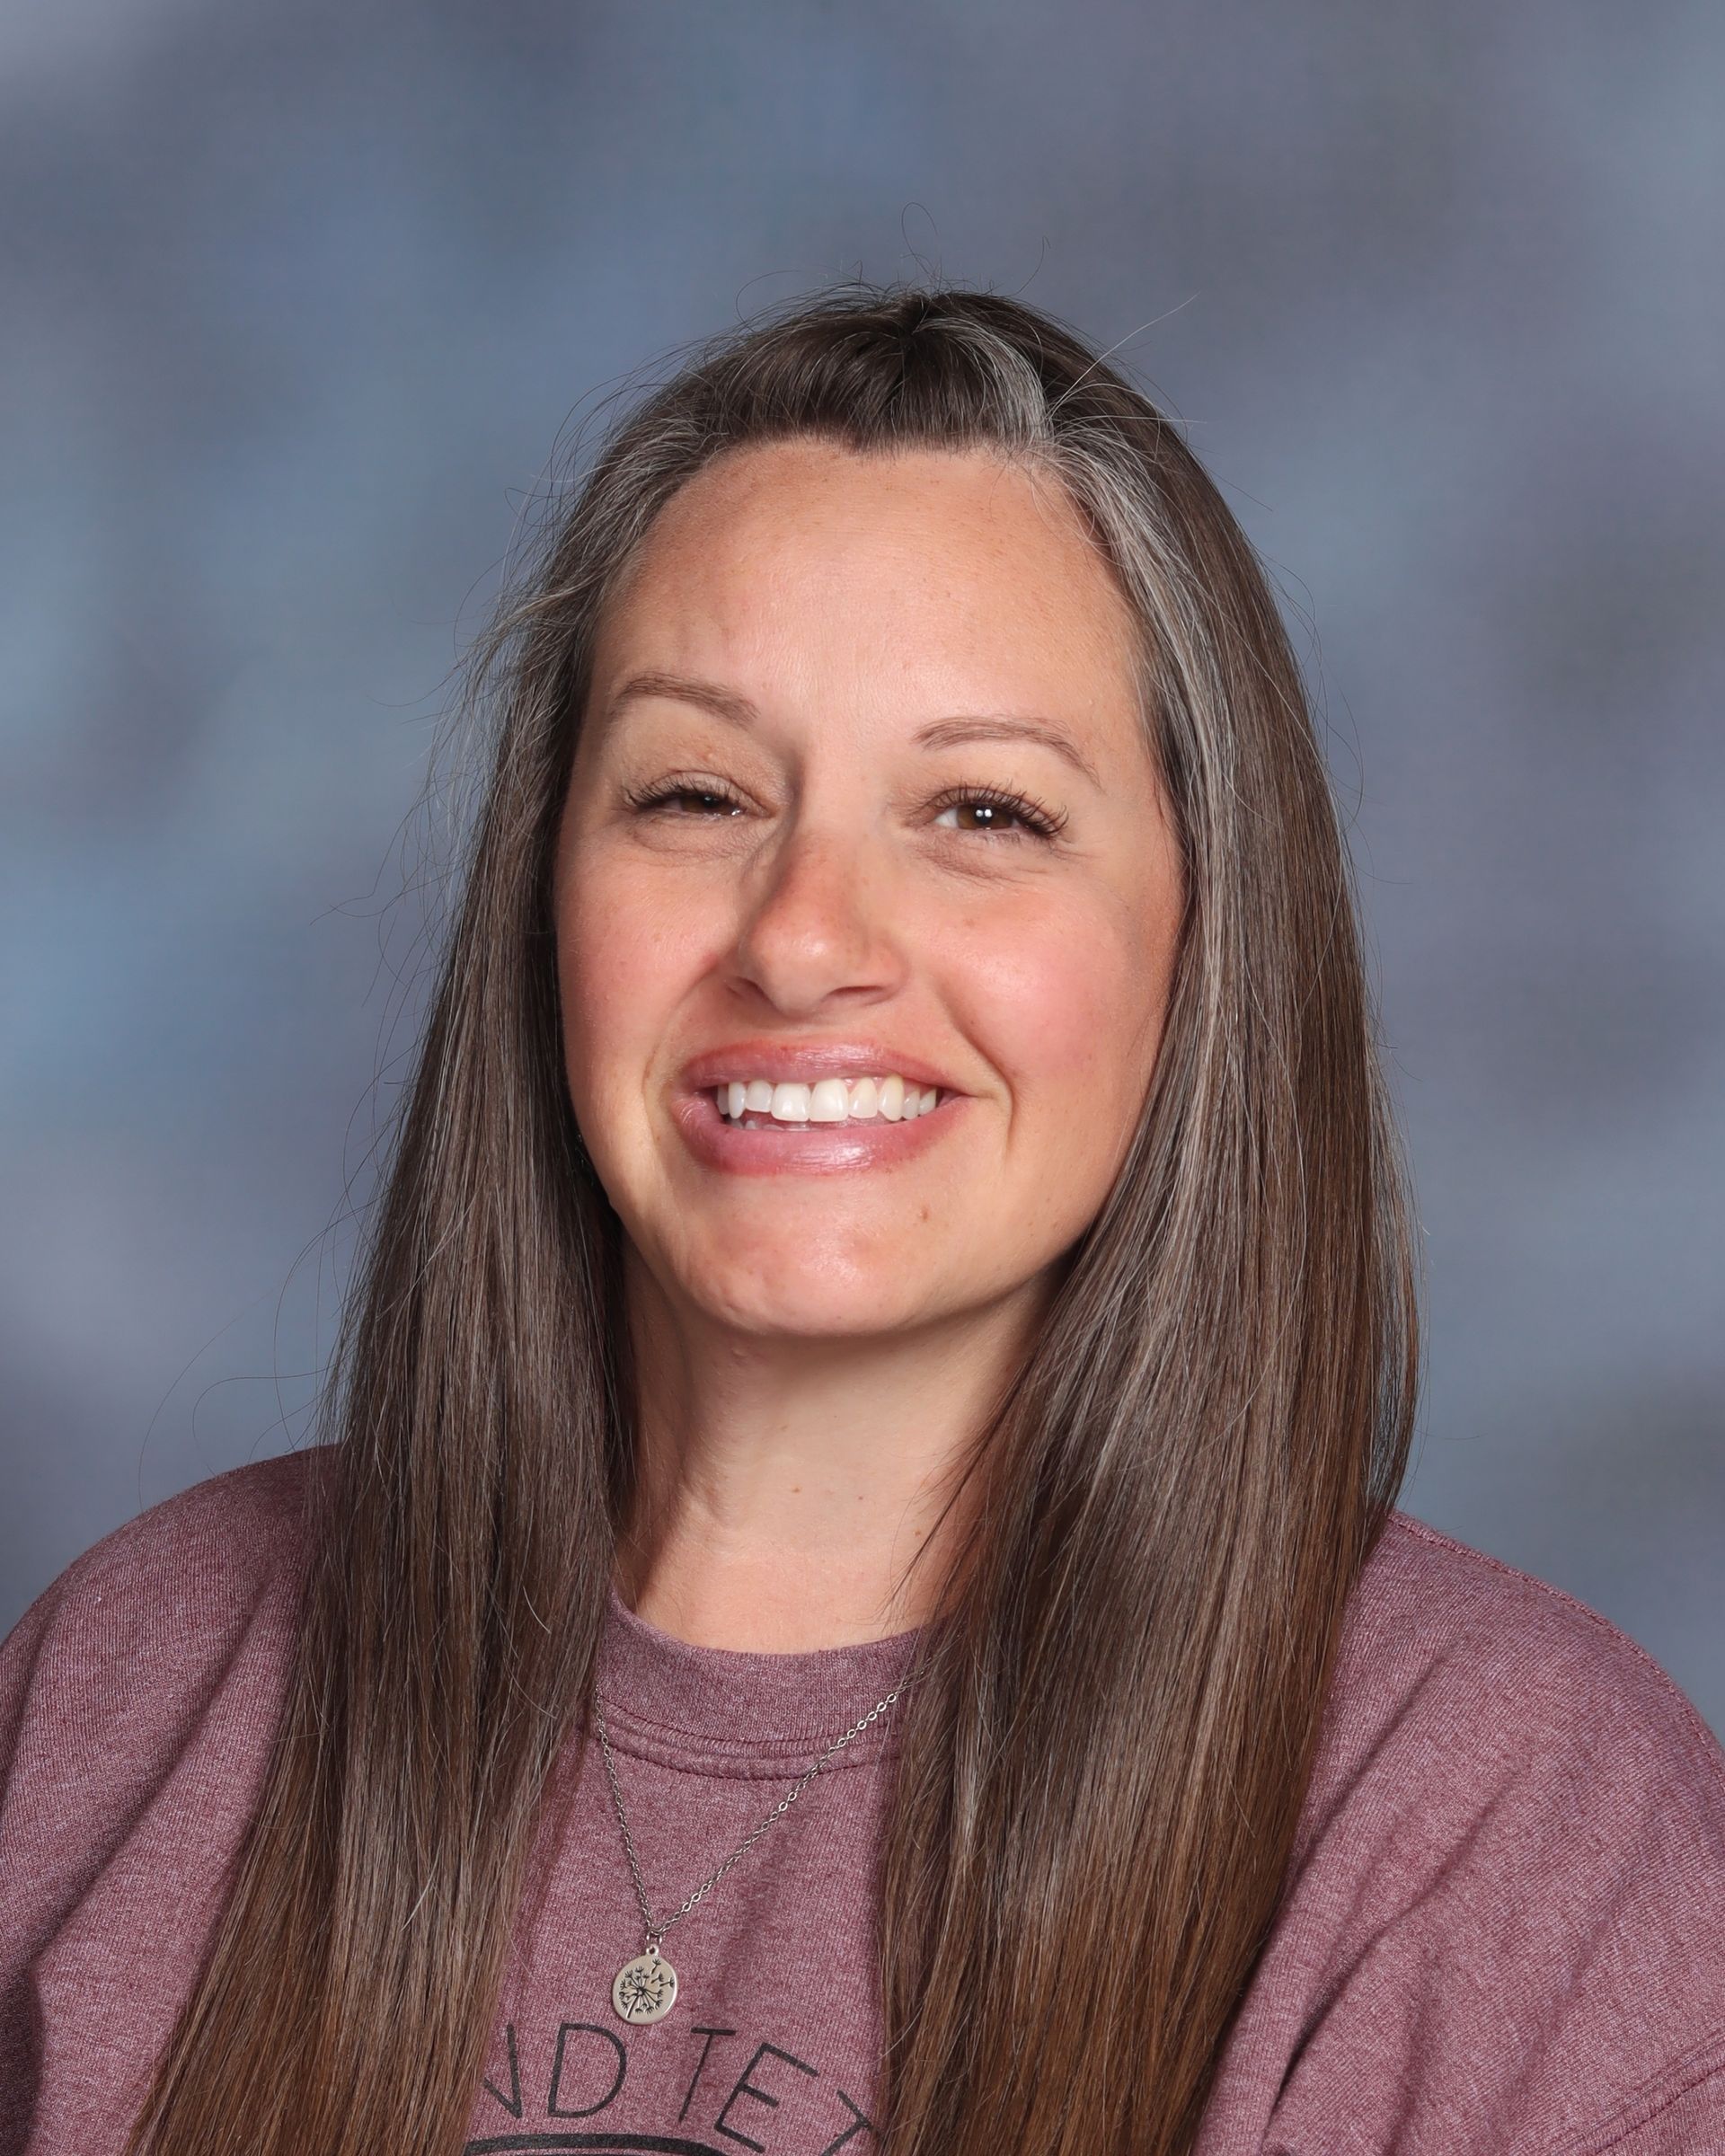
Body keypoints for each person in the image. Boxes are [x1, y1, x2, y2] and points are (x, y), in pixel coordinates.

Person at [3, 283, 1721, 2156]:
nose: (805, 934)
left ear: (1202, 943)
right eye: (696, 792)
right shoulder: (130, 1687)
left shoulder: (1506, 1833)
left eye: (983, 812)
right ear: (542, 900)